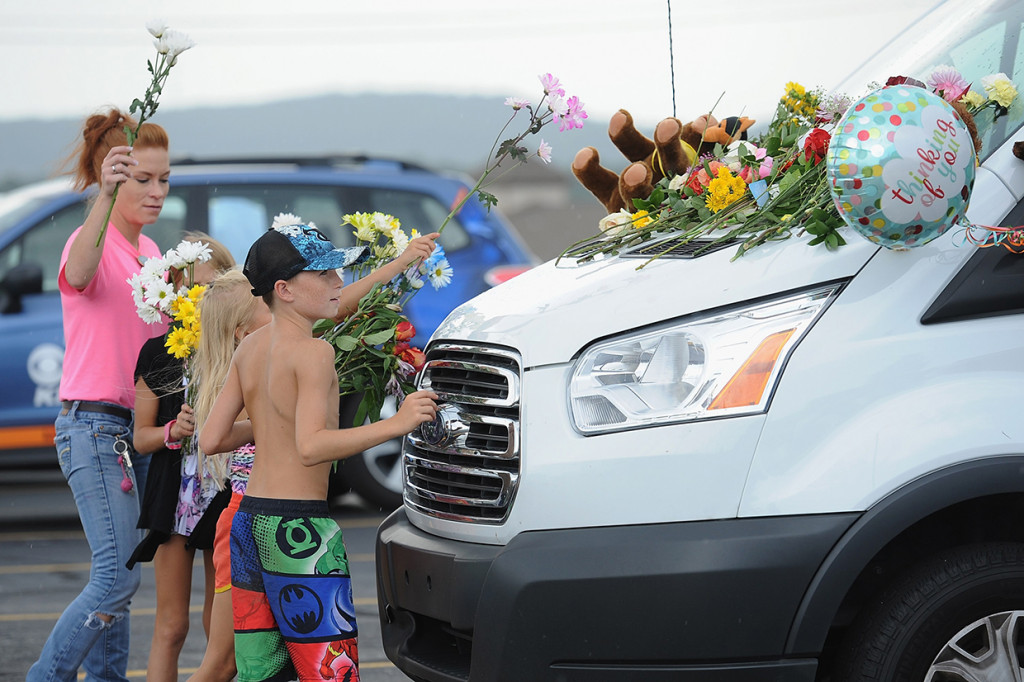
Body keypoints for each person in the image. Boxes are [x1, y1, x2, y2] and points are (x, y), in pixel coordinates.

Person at [199, 219, 439, 682]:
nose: (338, 282)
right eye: (326, 274)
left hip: (249, 524)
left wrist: (271, 426)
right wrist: (398, 422)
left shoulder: (250, 347)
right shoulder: (313, 354)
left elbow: (211, 439)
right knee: (332, 674)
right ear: (285, 289)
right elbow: (312, 448)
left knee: (263, 675)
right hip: (299, 530)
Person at [27, 109, 171, 682]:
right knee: (118, 577)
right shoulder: (88, 241)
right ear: (112, 178)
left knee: (118, 577)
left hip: (137, 431)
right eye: (142, 179)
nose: (157, 192)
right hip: (93, 427)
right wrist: (103, 199)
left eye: (164, 179)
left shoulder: (155, 254)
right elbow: (81, 273)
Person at [126, 233, 235, 682]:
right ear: (170, 297)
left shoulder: (236, 349)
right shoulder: (158, 353)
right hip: (175, 495)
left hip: (224, 494)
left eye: (210, 289)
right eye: (189, 291)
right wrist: (173, 430)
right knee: (171, 625)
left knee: (220, 629)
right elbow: (141, 437)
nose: (199, 300)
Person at [184, 268, 271, 682]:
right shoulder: (241, 382)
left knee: (267, 655)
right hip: (244, 521)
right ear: (241, 333)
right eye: (265, 307)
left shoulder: (268, 358)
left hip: (274, 517)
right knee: (223, 661)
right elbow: (216, 438)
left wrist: (394, 267)